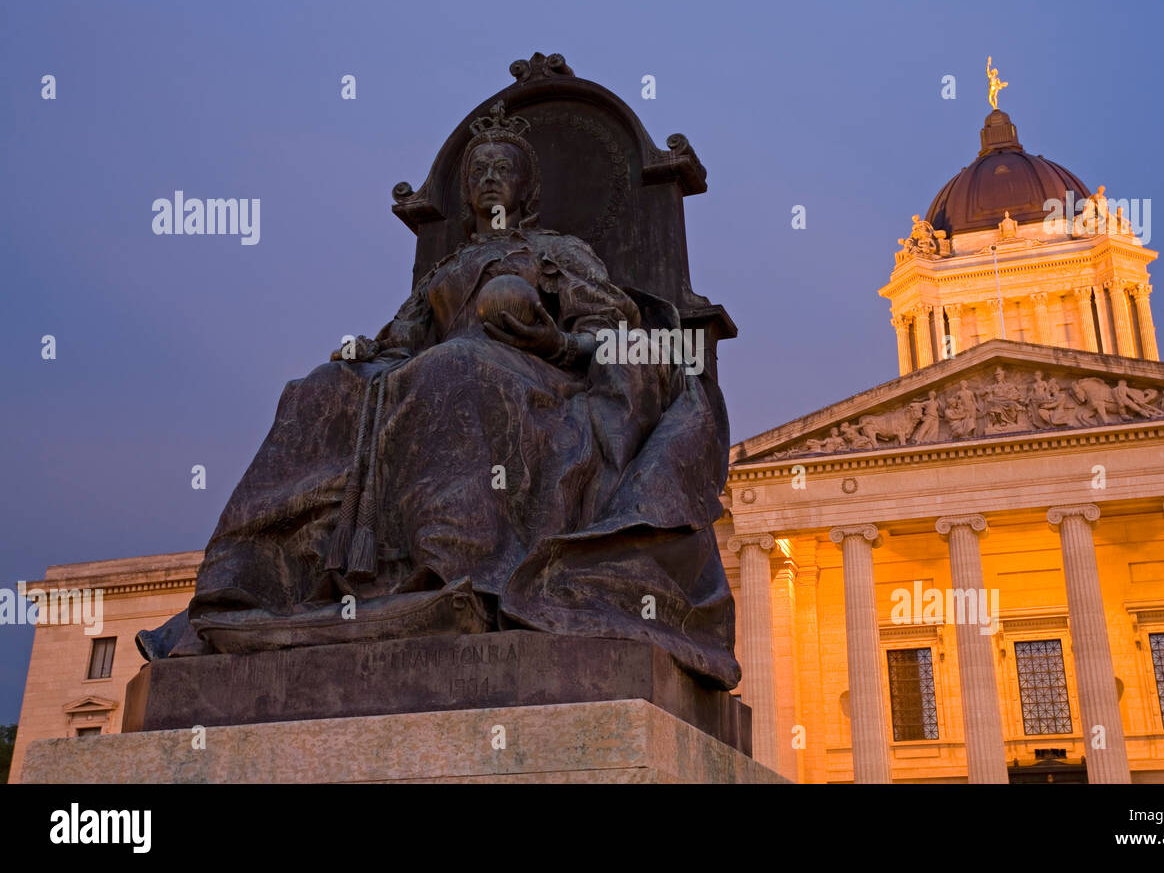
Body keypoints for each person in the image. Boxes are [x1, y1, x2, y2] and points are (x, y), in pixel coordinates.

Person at [137, 102, 740, 688]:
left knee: (456, 366)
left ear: (528, 191)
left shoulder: (556, 252)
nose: (488, 177)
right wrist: (357, 360)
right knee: (313, 393)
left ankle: (461, 570)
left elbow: (613, 333)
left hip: (541, 379)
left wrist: (554, 341)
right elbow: (399, 343)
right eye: (478, 169)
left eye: (503, 167)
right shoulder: (443, 272)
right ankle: (250, 580)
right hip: (435, 372)